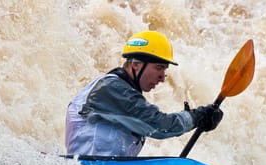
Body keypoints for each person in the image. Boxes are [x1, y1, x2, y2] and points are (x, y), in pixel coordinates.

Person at [65, 30, 223, 157]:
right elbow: (161, 126)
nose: (162, 78)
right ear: (135, 65)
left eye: (164, 70)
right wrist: (197, 116)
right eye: (159, 68)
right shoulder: (112, 88)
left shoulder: (120, 90)